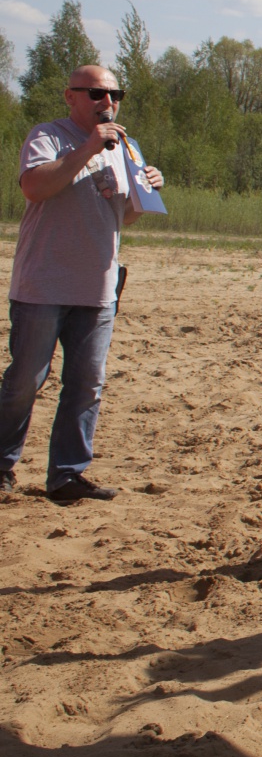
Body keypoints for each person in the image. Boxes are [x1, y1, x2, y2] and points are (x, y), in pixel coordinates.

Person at [1, 65, 165, 503]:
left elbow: (123, 215)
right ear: (69, 96)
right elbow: (35, 188)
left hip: (98, 289)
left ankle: (67, 476)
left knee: (87, 384)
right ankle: (2, 466)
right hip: (43, 285)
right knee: (25, 382)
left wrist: (146, 191)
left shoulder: (124, 146)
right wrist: (89, 149)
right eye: (95, 93)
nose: (106, 102)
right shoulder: (49, 137)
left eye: (114, 94)